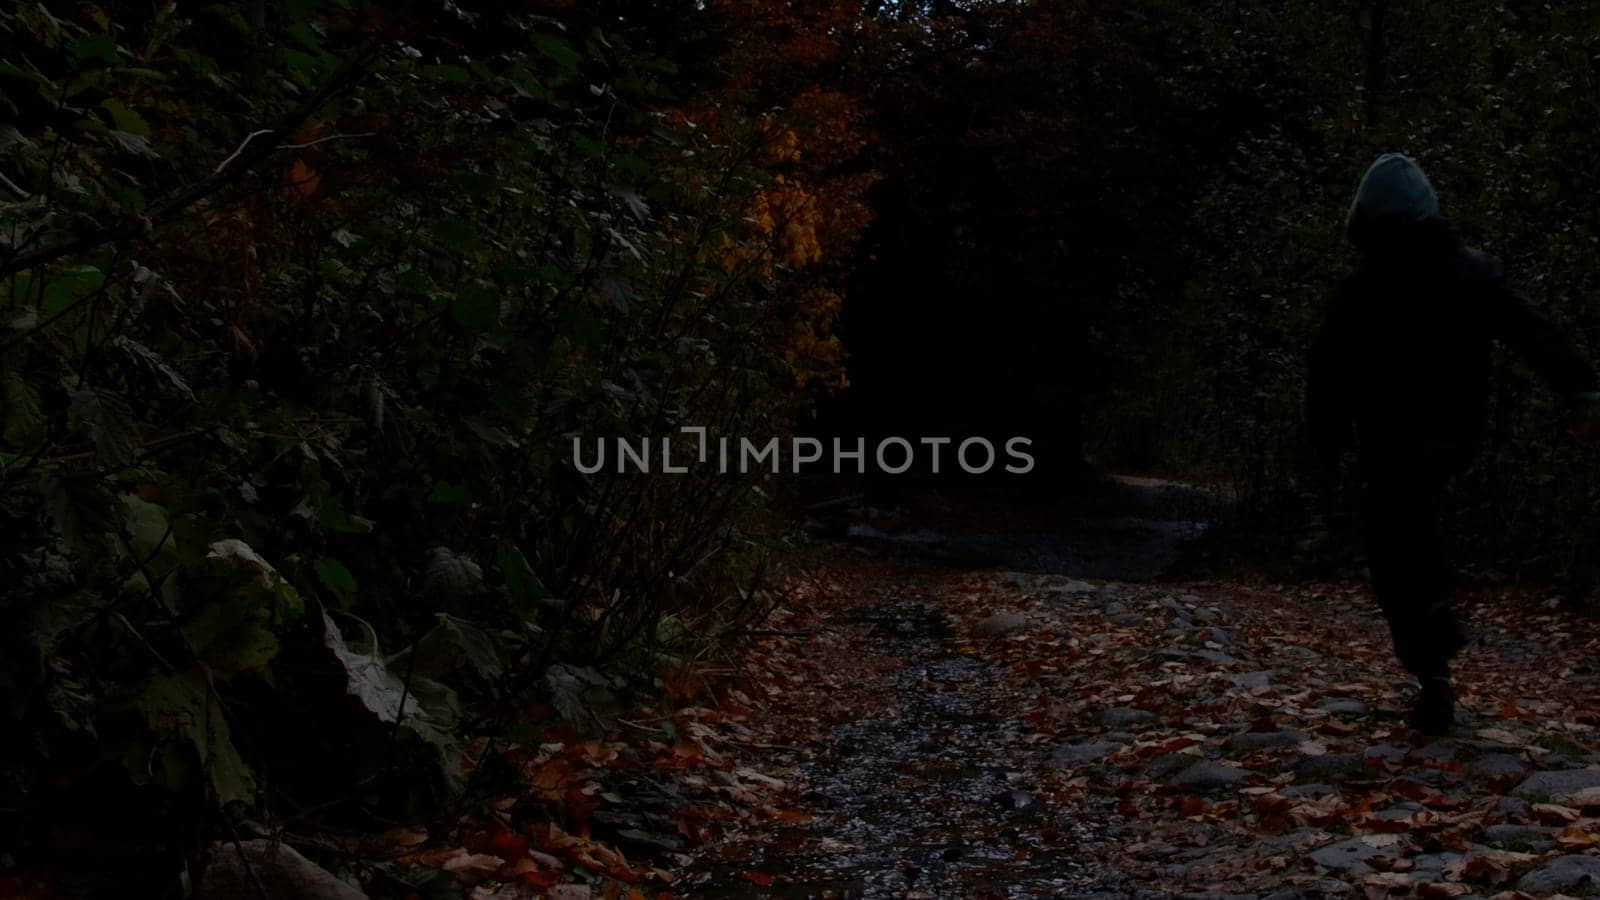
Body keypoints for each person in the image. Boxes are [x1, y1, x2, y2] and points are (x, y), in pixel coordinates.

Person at [1308, 152, 1598, 734]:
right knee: (1411, 512)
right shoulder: (1472, 275)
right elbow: (1532, 331)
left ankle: (1431, 658)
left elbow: (1328, 380)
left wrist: (1320, 453)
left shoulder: (1362, 290)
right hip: (1454, 434)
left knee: (1393, 536)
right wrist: (1581, 391)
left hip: (1389, 443)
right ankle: (1434, 626)